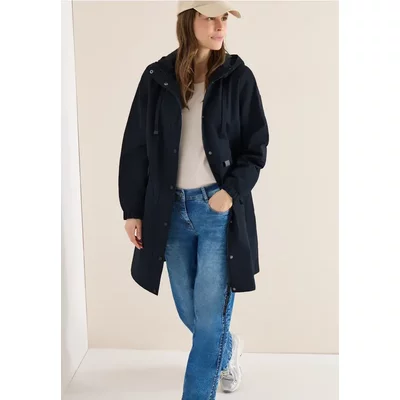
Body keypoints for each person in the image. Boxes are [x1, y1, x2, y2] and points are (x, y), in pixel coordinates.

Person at [118, 1, 269, 399]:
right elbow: (135, 147)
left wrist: (229, 193)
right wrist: (132, 210)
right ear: (189, 20)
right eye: (210, 17)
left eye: (224, 18)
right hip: (167, 212)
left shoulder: (238, 77)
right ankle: (227, 349)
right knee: (191, 311)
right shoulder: (156, 78)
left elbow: (256, 148)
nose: (220, 26)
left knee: (208, 321)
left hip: (217, 212)